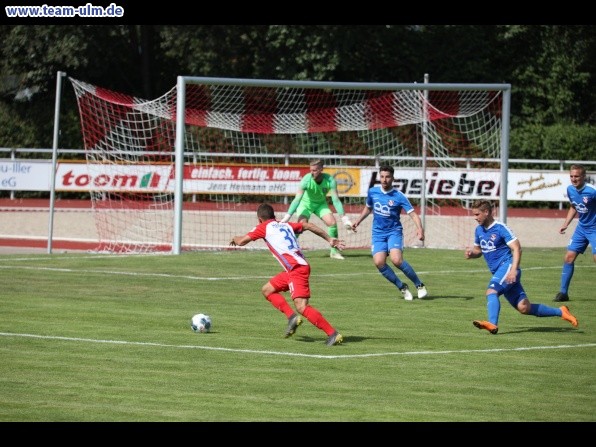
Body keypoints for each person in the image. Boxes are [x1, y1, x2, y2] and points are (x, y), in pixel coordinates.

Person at [230, 203, 345, 346]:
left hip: (296, 269)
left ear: (260, 219)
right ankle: (291, 317)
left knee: (302, 306)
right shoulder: (285, 225)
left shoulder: (263, 227)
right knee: (267, 290)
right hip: (294, 269)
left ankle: (332, 334)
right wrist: (329, 239)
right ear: (274, 216)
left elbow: (241, 242)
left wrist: (235, 238)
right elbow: (307, 225)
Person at [465, 199, 578, 334]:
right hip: (500, 271)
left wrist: (513, 270)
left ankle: (492, 324)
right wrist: (472, 253)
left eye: (477, 214)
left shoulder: (500, 228)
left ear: (486, 212)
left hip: (507, 267)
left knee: (491, 291)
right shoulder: (479, 230)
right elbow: (478, 250)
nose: (475, 218)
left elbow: (517, 248)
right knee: (524, 307)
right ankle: (561, 311)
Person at [351, 165, 427, 300]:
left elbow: (414, 215)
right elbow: (368, 208)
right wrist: (358, 221)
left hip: (394, 232)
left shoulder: (399, 196)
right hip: (378, 233)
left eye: (387, 177)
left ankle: (419, 285)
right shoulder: (373, 192)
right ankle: (402, 287)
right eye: (382, 176)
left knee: (396, 260)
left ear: (393, 178)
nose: (384, 180)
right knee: (379, 262)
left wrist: (420, 229)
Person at [281, 159, 353, 260]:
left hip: (320, 204)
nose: (312, 172)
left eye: (314, 170)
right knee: (301, 225)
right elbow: (297, 199)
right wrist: (287, 217)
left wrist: (345, 218)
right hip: (305, 204)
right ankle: (287, 249)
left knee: (332, 223)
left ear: (321, 170)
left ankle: (334, 252)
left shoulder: (330, 180)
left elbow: (336, 200)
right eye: (311, 170)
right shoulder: (306, 180)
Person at [553, 164, 596, 302]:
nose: (573, 179)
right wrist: (565, 224)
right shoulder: (570, 189)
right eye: (571, 176)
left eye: (576, 176)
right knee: (568, 257)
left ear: (584, 177)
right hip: (581, 228)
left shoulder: (592, 191)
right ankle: (563, 293)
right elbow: (573, 207)